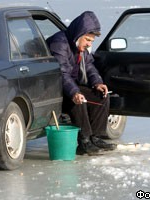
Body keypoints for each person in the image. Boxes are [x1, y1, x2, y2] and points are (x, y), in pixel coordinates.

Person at [46, 11, 116, 155]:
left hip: (70, 85)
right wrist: (74, 92)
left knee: (101, 96)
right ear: (79, 35)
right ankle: (84, 141)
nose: (89, 44)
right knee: (79, 101)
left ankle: (95, 137)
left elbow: (89, 66)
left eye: (91, 41)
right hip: (56, 89)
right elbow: (62, 73)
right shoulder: (59, 43)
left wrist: (97, 83)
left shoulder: (80, 47)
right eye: (88, 40)